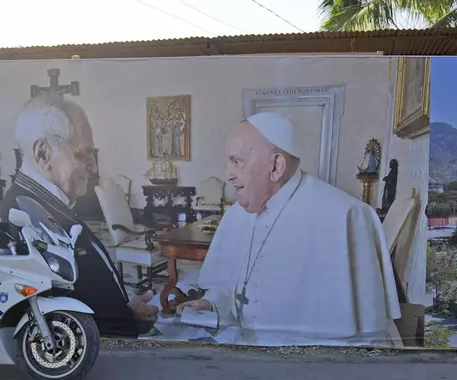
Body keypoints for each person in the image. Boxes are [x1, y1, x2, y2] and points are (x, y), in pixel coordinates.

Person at [176, 112, 402, 347]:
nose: (228, 175)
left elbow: (360, 335)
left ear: (276, 165)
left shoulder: (344, 217)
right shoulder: (235, 215)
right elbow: (229, 287)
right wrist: (212, 303)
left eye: (237, 161)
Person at [0, 94, 158, 337]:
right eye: (83, 154)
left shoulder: (43, 202)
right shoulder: (20, 218)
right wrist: (123, 324)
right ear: (43, 154)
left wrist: (126, 314)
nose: (94, 167)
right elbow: (49, 324)